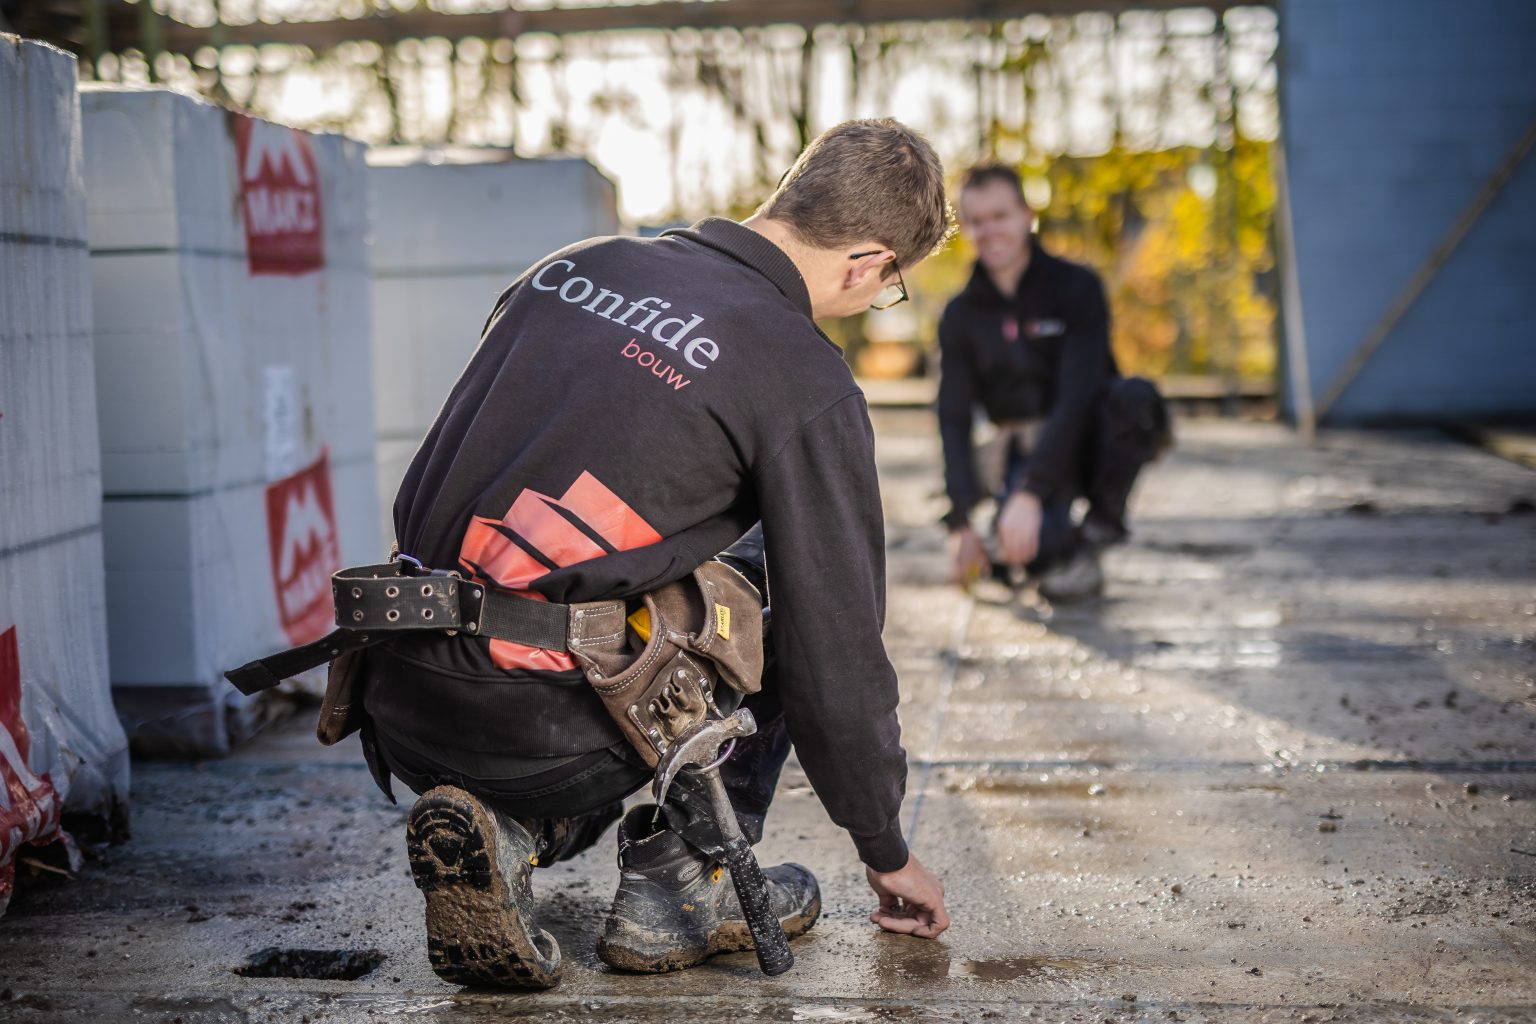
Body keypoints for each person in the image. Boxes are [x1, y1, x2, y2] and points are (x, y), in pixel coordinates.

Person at [360, 119, 954, 989]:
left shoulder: (573, 266)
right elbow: (839, 654)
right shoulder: (801, 374)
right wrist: (884, 846)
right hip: (549, 728)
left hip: (402, 692)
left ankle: (512, 829)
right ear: (868, 260)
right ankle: (687, 878)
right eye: (889, 287)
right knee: (785, 585)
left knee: (598, 579)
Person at [938, 164, 1169, 601]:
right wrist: (961, 521)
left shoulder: (1077, 287)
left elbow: (1079, 396)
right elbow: (953, 416)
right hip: (1019, 448)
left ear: (1027, 215)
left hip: (1083, 438)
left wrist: (1029, 493)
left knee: (1136, 398)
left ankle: (1097, 532)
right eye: (976, 221)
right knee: (1040, 553)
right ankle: (1029, 545)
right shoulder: (960, 314)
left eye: (1000, 216)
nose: (990, 231)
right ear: (964, 228)